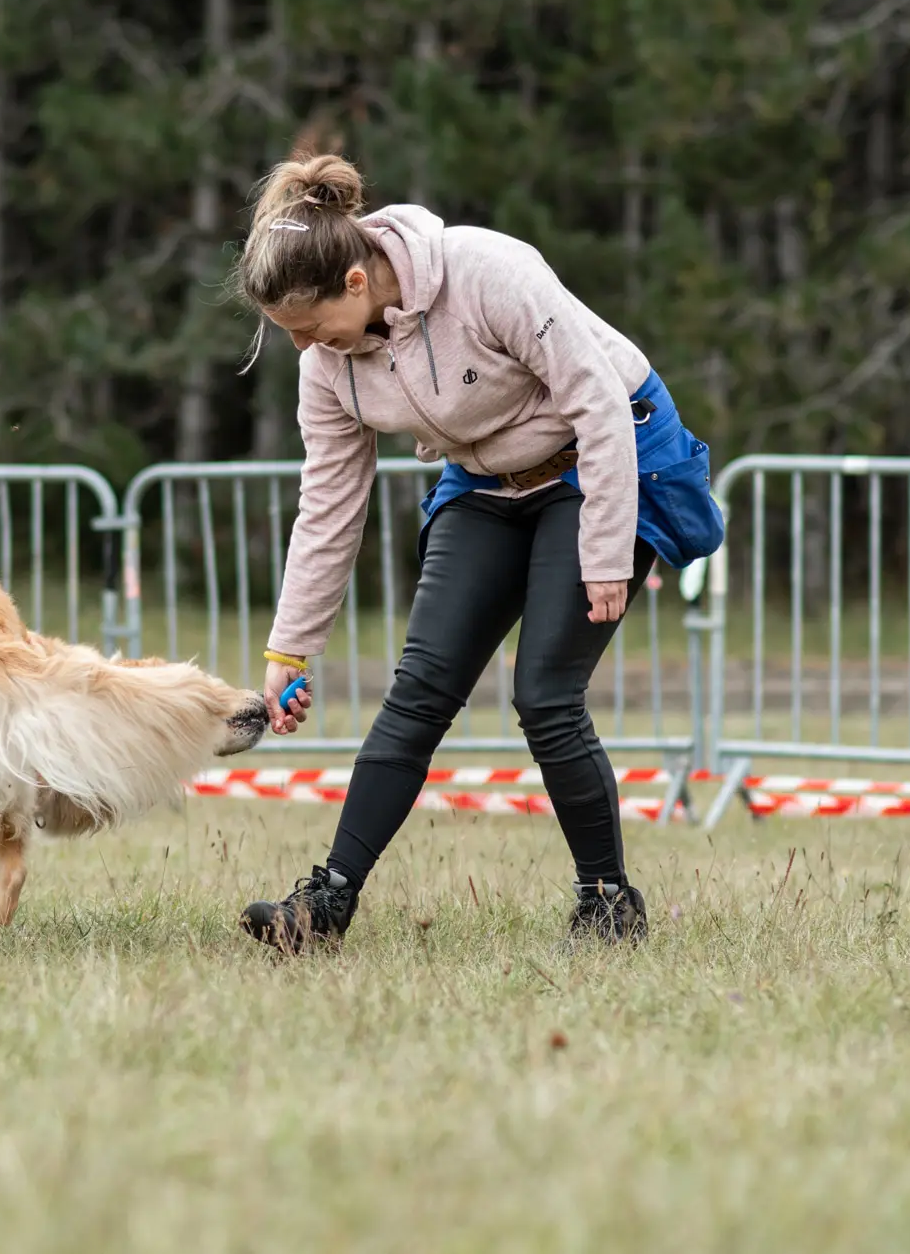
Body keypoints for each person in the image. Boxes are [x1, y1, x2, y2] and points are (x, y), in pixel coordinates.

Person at [229, 152, 724, 953]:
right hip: (487, 482)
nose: (302, 346)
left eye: (307, 325)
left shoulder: (487, 270)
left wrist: (605, 548)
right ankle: (324, 906)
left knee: (544, 694)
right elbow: (328, 504)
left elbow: (596, 398)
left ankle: (607, 902)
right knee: (419, 688)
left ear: (355, 283)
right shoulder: (328, 368)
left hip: (601, 459)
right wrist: (291, 644)